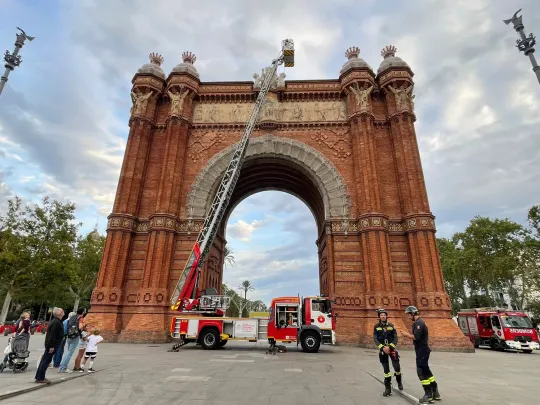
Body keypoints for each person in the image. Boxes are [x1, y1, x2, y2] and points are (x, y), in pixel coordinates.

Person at [401, 306, 441, 404]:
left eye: (409, 314)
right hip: (423, 349)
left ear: (413, 313)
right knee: (426, 370)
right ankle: (435, 392)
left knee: (421, 372)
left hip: (422, 350)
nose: (408, 316)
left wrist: (406, 335)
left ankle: (428, 395)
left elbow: (416, 337)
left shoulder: (418, 323)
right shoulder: (420, 322)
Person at [373, 308, 403, 396]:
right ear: (379, 317)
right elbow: (375, 339)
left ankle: (399, 381)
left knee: (396, 367)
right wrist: (382, 347)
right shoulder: (376, 327)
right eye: (381, 315)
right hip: (383, 350)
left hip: (391, 349)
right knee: (386, 370)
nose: (383, 316)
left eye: (384, 315)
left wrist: (390, 347)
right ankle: (388, 389)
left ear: (386, 316)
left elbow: (395, 338)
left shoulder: (391, 325)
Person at [35, 307, 65, 384]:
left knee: (45, 360)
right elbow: (53, 335)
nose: (63, 312)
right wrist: (51, 346)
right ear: (59, 313)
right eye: (62, 311)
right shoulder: (56, 322)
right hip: (51, 345)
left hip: (51, 344)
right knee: (46, 361)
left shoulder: (56, 321)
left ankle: (39, 376)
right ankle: (40, 378)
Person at [59, 307, 87, 373]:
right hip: (75, 336)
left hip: (69, 335)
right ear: (83, 312)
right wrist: (84, 325)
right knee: (70, 353)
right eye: (84, 311)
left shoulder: (73, 317)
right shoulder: (80, 318)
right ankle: (63, 367)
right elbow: (80, 327)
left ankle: (63, 366)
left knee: (68, 352)